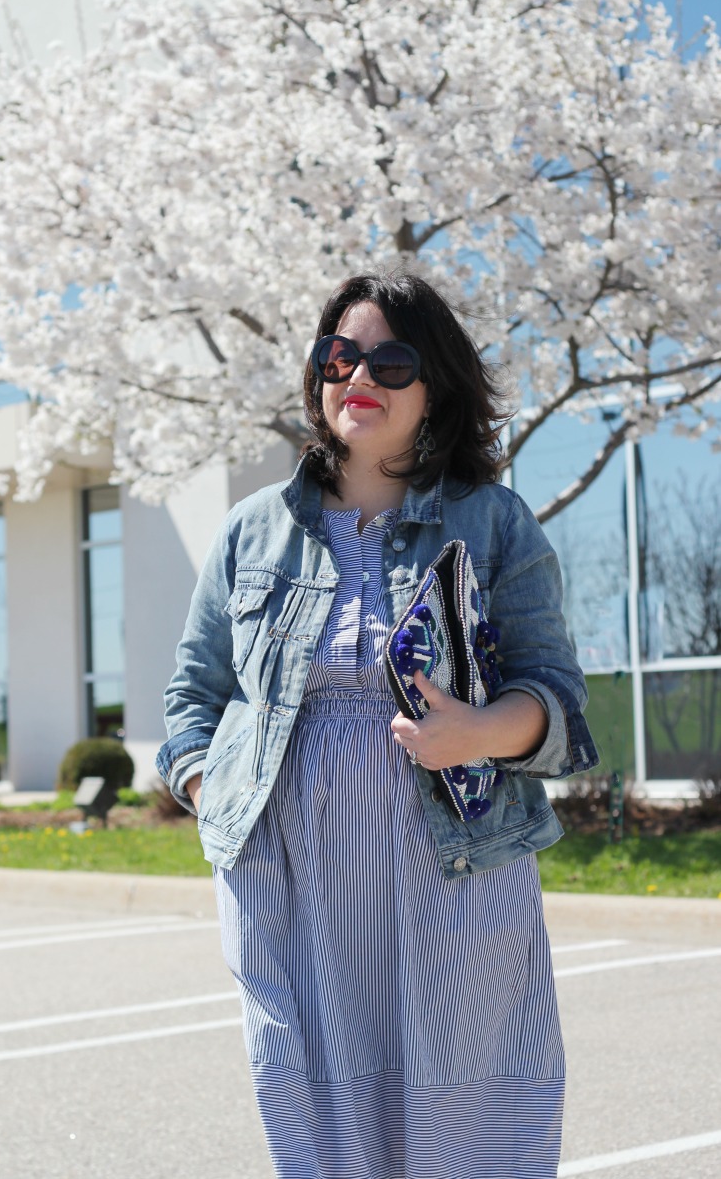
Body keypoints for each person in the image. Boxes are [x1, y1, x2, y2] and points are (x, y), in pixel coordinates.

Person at [156, 270, 598, 1179]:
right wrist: (212, 790)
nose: (359, 374)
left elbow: (556, 699)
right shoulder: (253, 533)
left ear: (434, 387)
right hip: (289, 877)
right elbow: (191, 698)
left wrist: (477, 732)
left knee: (465, 1109)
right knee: (311, 1103)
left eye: (391, 360)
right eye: (339, 354)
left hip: (453, 872)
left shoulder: (493, 520)